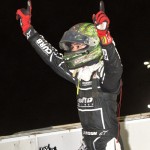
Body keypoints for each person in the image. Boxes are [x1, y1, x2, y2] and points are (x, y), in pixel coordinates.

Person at [16, 0, 124, 149]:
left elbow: (114, 67)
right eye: (72, 47)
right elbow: (52, 57)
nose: (74, 50)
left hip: (108, 145)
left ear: (93, 44)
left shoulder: (104, 76)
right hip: (87, 143)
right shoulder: (79, 74)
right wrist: (28, 29)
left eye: (78, 46)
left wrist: (104, 36)